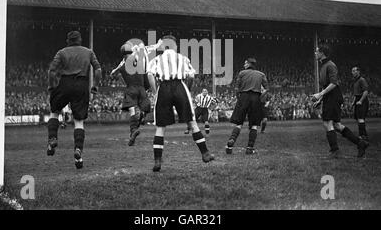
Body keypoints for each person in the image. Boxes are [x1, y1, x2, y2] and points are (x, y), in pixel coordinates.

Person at [147, 35, 215, 172]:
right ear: (174, 45)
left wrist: (156, 92)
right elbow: (191, 76)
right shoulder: (183, 58)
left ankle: (158, 161)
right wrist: (187, 91)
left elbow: (150, 75)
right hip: (180, 86)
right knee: (191, 122)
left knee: (160, 127)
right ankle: (205, 153)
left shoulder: (156, 59)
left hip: (163, 87)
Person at [47, 31, 102, 169]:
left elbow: (52, 71)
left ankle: (52, 139)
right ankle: (78, 153)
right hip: (81, 85)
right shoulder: (88, 52)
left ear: (68, 41)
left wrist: (51, 86)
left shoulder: (61, 52)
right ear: (80, 40)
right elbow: (98, 69)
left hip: (64, 83)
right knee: (78, 121)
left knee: (54, 112)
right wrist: (94, 85)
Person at [312, 45, 369, 158]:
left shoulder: (331, 65)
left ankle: (335, 151)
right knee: (337, 125)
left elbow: (333, 83)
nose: (315, 53)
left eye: (317, 51)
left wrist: (320, 94)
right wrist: (321, 99)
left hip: (334, 96)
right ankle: (361, 143)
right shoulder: (324, 65)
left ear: (322, 53)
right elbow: (327, 85)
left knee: (327, 123)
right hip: (330, 97)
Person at [110, 39, 161, 146]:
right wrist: (158, 44)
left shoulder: (123, 65)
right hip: (142, 89)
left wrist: (114, 71)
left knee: (132, 110)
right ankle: (142, 116)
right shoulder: (140, 62)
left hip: (131, 89)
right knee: (146, 107)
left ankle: (133, 130)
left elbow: (116, 70)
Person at [225, 57, 268, 155]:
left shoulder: (242, 73)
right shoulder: (261, 74)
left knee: (239, 123)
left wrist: (238, 98)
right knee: (254, 125)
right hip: (255, 98)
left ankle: (231, 142)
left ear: (249, 64)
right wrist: (260, 97)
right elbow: (266, 89)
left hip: (243, 97)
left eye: (245, 63)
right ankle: (249, 148)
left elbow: (237, 88)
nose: (244, 65)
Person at [351, 66, 369, 141]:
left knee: (361, 118)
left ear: (359, 72)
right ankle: (362, 135)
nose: (354, 72)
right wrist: (353, 101)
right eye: (352, 71)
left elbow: (365, 92)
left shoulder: (362, 80)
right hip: (357, 99)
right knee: (358, 118)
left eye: (355, 70)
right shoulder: (355, 81)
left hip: (362, 100)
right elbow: (356, 94)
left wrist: (360, 101)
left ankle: (363, 135)